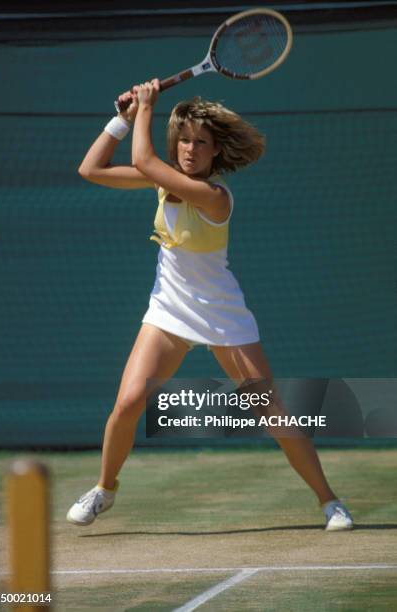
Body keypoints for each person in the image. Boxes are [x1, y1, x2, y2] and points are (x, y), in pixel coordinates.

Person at [66, 80, 353, 532]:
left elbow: (143, 160)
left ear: (216, 152)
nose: (189, 149)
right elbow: (90, 168)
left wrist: (145, 106)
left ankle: (329, 501)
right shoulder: (160, 181)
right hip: (168, 312)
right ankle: (104, 488)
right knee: (128, 403)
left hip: (222, 315)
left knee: (270, 408)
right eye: (184, 140)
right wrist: (121, 120)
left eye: (201, 143)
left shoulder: (216, 198)